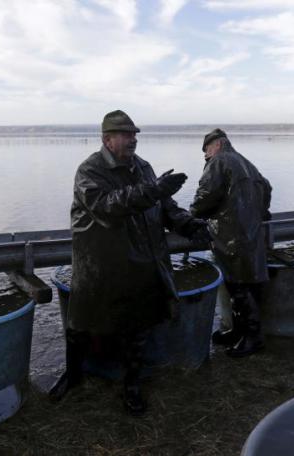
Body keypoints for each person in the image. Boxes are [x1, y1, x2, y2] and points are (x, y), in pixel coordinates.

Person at [50, 110, 211, 415]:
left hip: (140, 262)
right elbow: (108, 207)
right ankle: (73, 375)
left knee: (137, 328)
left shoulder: (144, 168)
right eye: (126, 134)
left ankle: (132, 385)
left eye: (135, 134)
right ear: (107, 140)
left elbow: (165, 206)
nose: (133, 139)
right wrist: (154, 190)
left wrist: (188, 224)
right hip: (99, 262)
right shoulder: (90, 170)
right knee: (81, 323)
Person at [190, 129, 272, 358]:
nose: (206, 155)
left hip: (230, 235)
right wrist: (261, 212)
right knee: (247, 284)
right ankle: (239, 332)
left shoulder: (219, 161)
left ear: (216, 145)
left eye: (206, 150)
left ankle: (253, 338)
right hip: (251, 234)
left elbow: (205, 195)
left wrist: (191, 216)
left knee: (239, 287)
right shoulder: (246, 162)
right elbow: (267, 188)